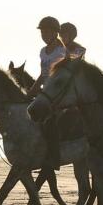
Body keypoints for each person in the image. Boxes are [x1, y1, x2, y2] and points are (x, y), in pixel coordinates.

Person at [27, 16, 66, 169]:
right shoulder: (43, 51)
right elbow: (43, 75)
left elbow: (57, 77)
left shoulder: (60, 51)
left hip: (57, 92)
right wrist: (30, 92)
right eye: (41, 32)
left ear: (55, 33)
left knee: (50, 120)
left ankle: (54, 157)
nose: (43, 35)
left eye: (46, 32)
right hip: (46, 92)